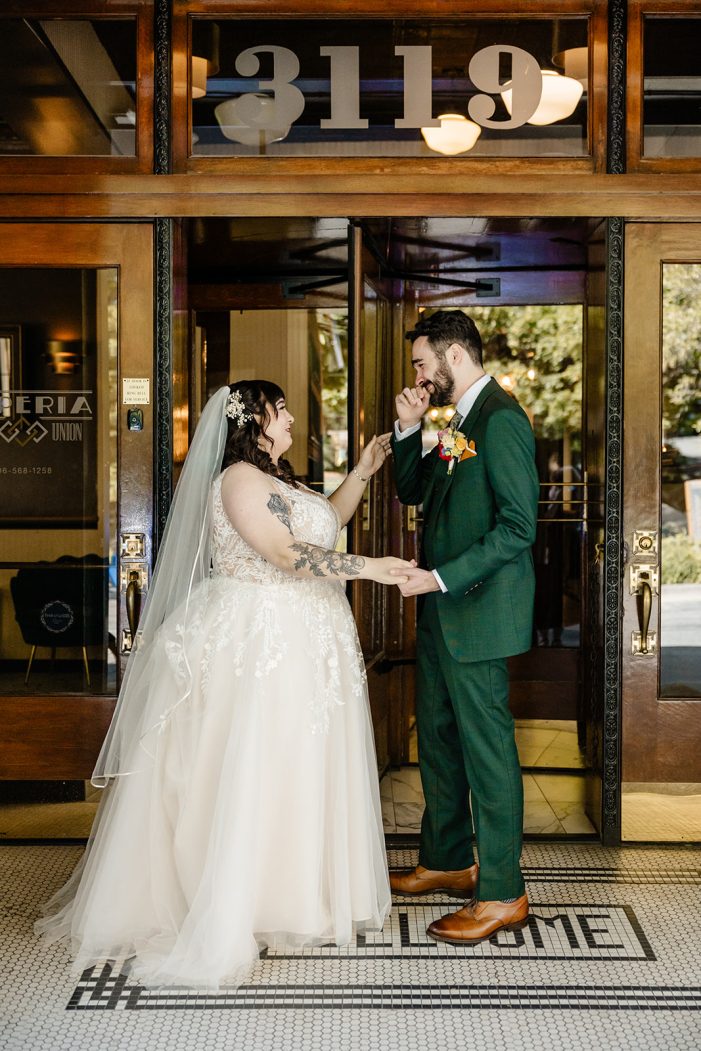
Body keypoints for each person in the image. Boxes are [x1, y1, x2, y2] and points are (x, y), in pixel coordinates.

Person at [36, 380, 411, 989]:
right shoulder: (238, 480)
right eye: (281, 408)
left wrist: (363, 472)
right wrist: (373, 569)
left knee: (298, 763)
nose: (291, 416)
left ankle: (290, 897)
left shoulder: (282, 479)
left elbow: (326, 522)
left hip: (304, 638)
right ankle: (243, 901)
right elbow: (286, 554)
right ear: (254, 420)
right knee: (255, 765)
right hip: (261, 638)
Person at [389, 310, 539, 945]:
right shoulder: (461, 422)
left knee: (487, 752)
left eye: (423, 363)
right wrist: (406, 429)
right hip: (443, 610)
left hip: (473, 609)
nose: (419, 375)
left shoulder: (500, 419)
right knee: (442, 743)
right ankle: (449, 860)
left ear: (452, 358)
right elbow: (416, 491)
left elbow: (517, 526)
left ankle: (503, 892)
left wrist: (443, 577)